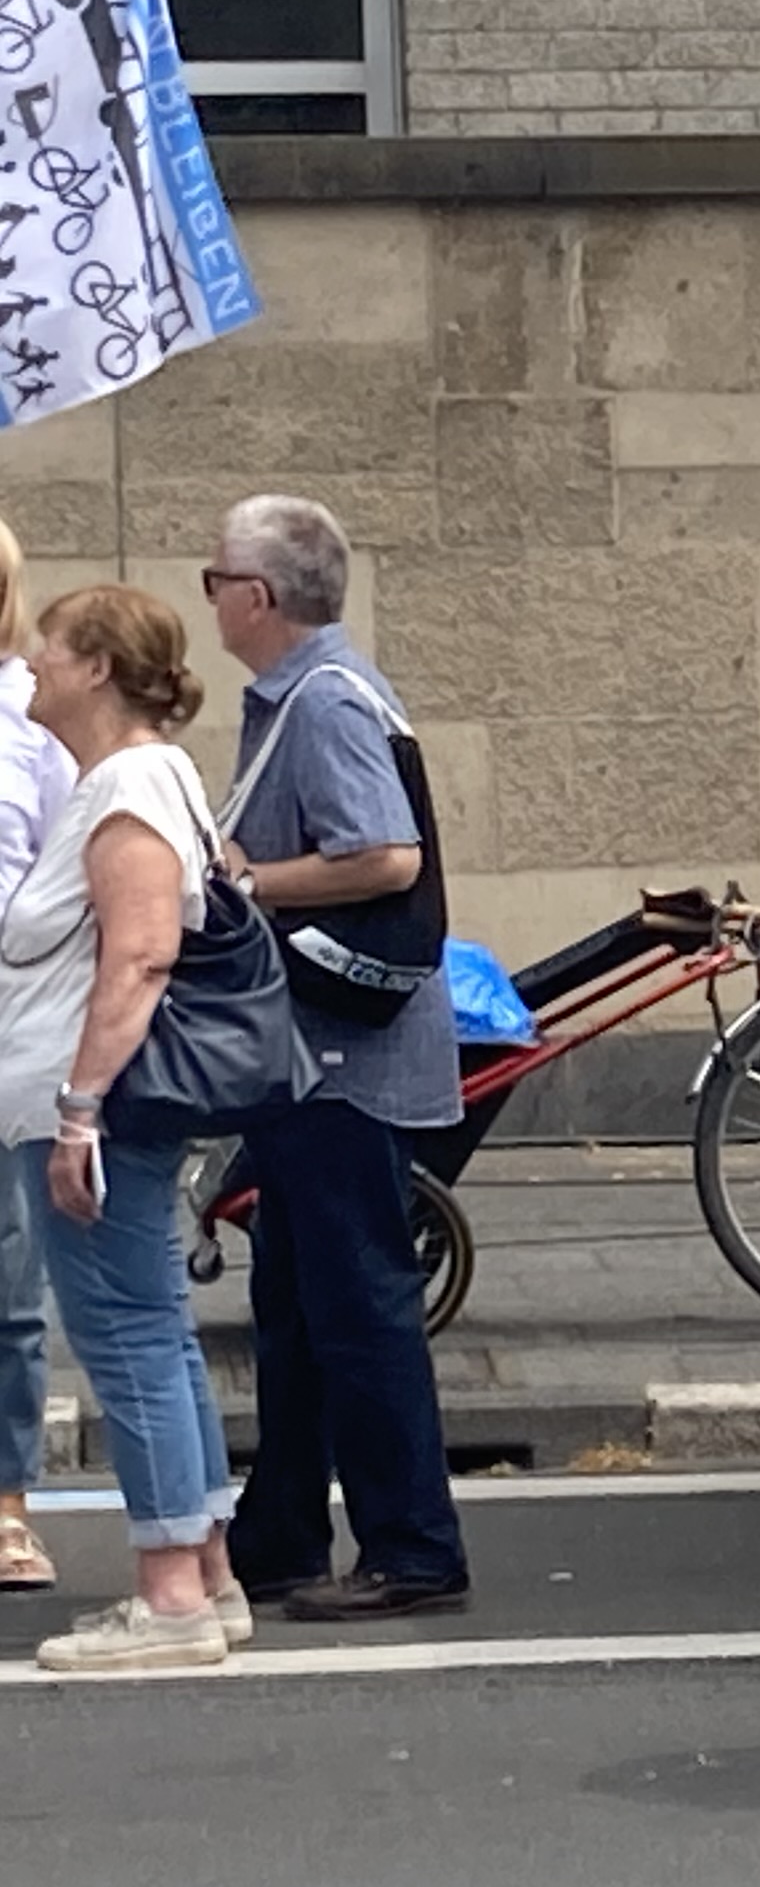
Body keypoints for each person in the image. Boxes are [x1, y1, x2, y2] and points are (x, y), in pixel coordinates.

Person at [207, 496, 470, 1623]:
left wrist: (248, 882)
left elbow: (384, 855)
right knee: (300, 1300)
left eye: (214, 576)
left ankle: (412, 1544)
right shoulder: (313, 695)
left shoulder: (321, 705)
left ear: (257, 598)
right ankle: (280, 1535)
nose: (208, 594)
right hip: (313, 1051)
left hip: (338, 1054)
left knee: (357, 1300)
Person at [0, 586, 247, 1670]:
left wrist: (77, 1111)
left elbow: (140, 954)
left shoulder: (131, 786)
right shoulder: (132, 780)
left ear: (96, 667)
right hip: (98, 1103)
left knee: (128, 1339)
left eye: (49, 649)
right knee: (152, 1331)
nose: (33, 667)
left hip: (99, 1106)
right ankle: (207, 1572)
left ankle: (169, 1601)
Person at [0, 520, 85, 1600]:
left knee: (7, 1284)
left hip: (6, 1021)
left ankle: (7, 1504)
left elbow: (70, 875)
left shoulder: (34, 725)